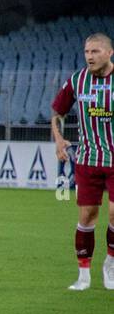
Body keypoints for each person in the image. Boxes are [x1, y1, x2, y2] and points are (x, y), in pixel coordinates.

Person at [51, 32, 114, 290]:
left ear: (109, 53)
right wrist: (58, 139)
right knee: (88, 216)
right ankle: (83, 275)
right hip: (88, 160)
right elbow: (57, 112)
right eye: (87, 51)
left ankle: (110, 264)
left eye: (95, 51)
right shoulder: (77, 81)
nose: (90, 56)